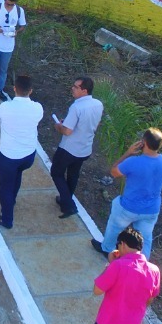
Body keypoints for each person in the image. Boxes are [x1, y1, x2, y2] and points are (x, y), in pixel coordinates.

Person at [93, 129, 162, 260]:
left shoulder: (133, 162)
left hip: (128, 208)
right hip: (151, 210)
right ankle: (143, 263)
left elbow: (114, 172)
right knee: (146, 238)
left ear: (144, 143)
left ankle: (106, 248)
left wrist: (128, 153)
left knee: (115, 227)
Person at [0, 75, 43, 230]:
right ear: (31, 91)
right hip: (28, 155)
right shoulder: (37, 108)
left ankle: (7, 219)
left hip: (9, 156)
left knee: (5, 187)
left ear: (14, 88)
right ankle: (12, 199)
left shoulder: (5, 108)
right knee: (18, 175)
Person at [52, 76, 104, 218]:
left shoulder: (76, 107)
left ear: (84, 91)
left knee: (56, 172)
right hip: (85, 148)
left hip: (69, 148)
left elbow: (67, 131)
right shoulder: (98, 104)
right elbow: (95, 124)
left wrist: (59, 126)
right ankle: (65, 199)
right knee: (73, 174)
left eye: (76, 87)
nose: (72, 89)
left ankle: (69, 205)